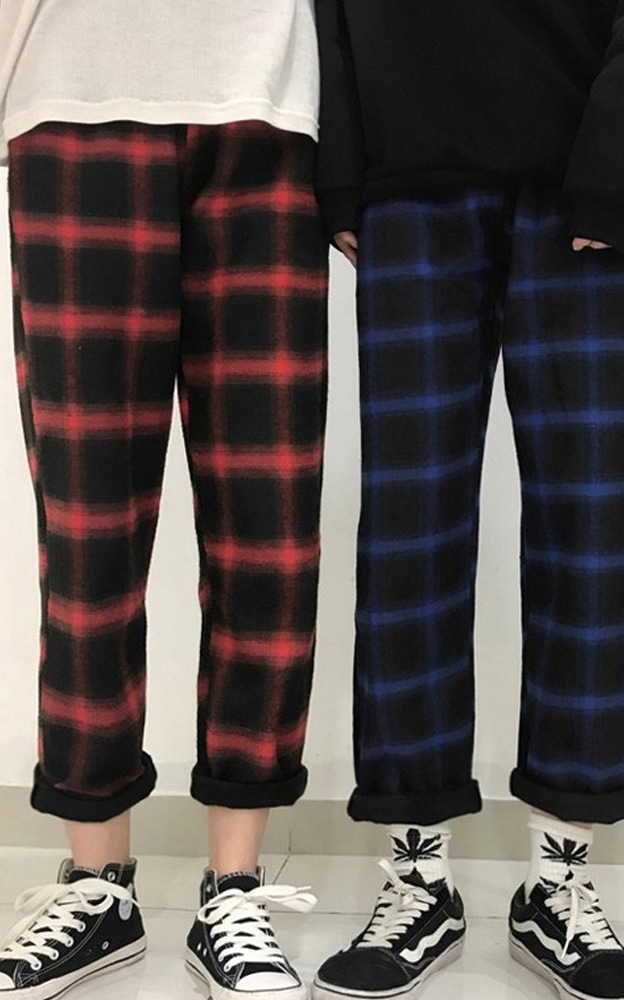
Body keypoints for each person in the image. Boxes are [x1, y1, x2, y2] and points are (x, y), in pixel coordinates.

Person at [311, 1, 624, 998]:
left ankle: (559, 879)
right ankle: (416, 875)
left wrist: (622, 160)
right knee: (409, 533)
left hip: (585, 173)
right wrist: (342, 169)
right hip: (407, 176)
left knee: (588, 528)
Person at [0, 2, 329, 997]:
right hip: (69, 96)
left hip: (269, 107)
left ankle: (234, 885)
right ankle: (98, 884)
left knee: (268, 528)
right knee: (87, 532)